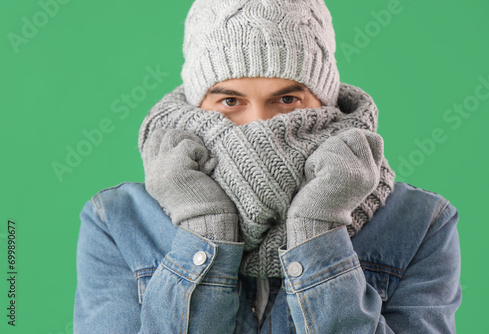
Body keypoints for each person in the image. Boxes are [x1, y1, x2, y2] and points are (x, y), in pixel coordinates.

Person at [73, 0, 461, 333]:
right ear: (196, 105)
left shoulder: (420, 221)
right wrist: (205, 228)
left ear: (324, 102)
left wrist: (318, 231)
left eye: (287, 99)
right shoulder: (117, 222)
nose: (259, 125)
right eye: (230, 101)